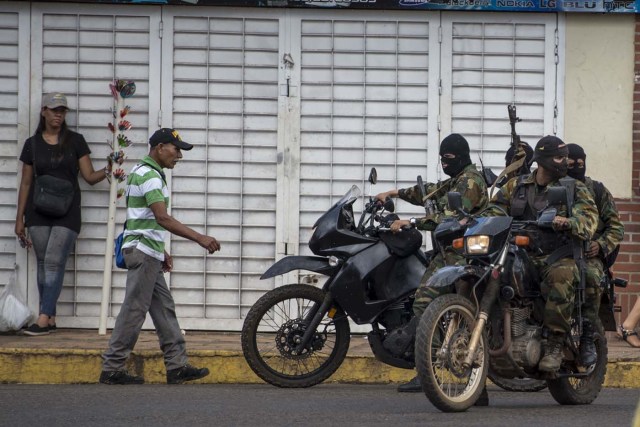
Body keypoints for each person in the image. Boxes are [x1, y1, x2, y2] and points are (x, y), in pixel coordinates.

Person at [100, 128, 221, 385]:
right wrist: (200, 238)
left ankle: (177, 366)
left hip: (147, 250)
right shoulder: (151, 176)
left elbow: (140, 218)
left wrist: (160, 250)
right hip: (143, 252)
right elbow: (161, 217)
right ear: (159, 148)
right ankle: (112, 367)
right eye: (175, 149)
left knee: (163, 309)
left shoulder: (142, 172)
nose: (178, 155)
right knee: (134, 310)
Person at [375, 133, 489, 392]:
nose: (445, 163)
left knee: (425, 302)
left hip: (463, 255)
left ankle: (429, 370)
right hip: (449, 252)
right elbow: (430, 192)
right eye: (442, 159)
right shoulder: (457, 179)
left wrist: (411, 222)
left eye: (448, 158)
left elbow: (447, 217)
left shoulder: (470, 181)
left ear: (461, 157)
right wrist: (393, 193)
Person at [484, 135, 598, 372]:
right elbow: (493, 208)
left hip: (555, 255)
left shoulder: (574, 188)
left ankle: (555, 343)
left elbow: (589, 220)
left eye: (566, 157)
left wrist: (568, 222)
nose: (565, 162)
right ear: (543, 160)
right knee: (483, 271)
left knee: (562, 275)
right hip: (517, 252)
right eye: (559, 157)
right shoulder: (516, 185)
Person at [15, 92, 111, 336]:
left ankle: (43, 317)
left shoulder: (75, 141)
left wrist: (110, 169)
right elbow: (26, 183)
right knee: (42, 262)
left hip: (67, 211)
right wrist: (20, 219)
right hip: (37, 211)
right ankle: (52, 317)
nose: (59, 114)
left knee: (54, 262)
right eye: (54, 109)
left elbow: (89, 177)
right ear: (44, 111)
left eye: (63, 110)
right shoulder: (32, 144)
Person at [566, 143, 625, 364]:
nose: (576, 168)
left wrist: (600, 245)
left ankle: (588, 336)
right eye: (571, 164)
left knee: (590, 277)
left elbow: (616, 228)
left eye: (580, 164)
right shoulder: (553, 188)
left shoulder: (597, 190)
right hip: (555, 253)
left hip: (588, 255)